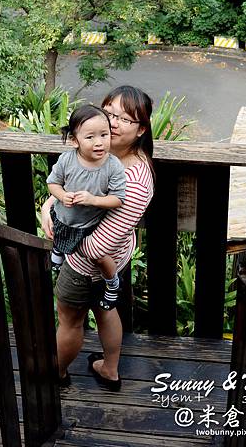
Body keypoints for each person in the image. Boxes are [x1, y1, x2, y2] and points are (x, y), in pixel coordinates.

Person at [41, 85, 154, 391]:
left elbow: (99, 244)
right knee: (106, 310)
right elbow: (67, 187)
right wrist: (49, 205)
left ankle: (57, 374)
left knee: (69, 321)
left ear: (141, 129)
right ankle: (109, 370)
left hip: (85, 264)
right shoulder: (100, 157)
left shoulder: (134, 179)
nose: (113, 123)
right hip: (109, 262)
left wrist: (64, 241)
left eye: (125, 119)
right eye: (109, 114)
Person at [47, 103, 126, 310]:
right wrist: (62, 196)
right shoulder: (67, 159)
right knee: (58, 232)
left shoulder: (113, 166)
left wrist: (93, 200)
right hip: (64, 215)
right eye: (90, 137)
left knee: (99, 256)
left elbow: (118, 199)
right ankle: (57, 252)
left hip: (89, 224)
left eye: (104, 135)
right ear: (75, 141)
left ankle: (112, 283)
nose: (99, 143)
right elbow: (53, 183)